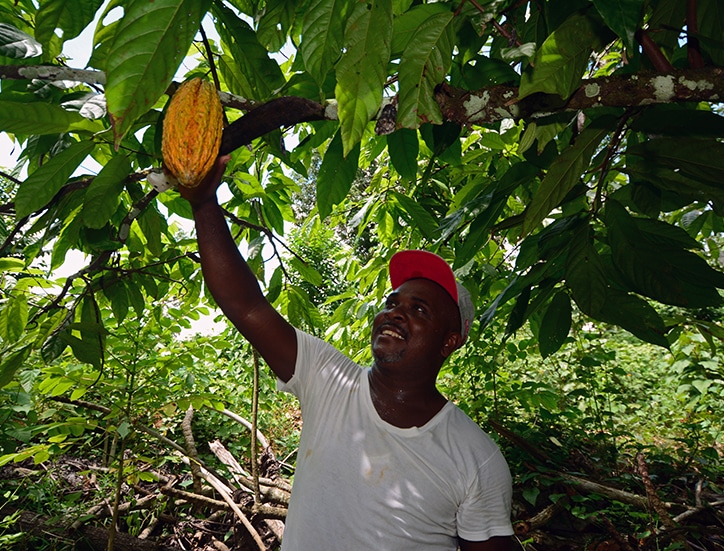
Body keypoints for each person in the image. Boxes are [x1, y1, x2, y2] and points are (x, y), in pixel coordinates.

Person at [181, 154, 514, 551]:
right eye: (393, 302)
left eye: (419, 310)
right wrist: (203, 204)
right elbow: (246, 305)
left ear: (449, 342)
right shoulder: (327, 378)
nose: (395, 314)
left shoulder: (475, 457)